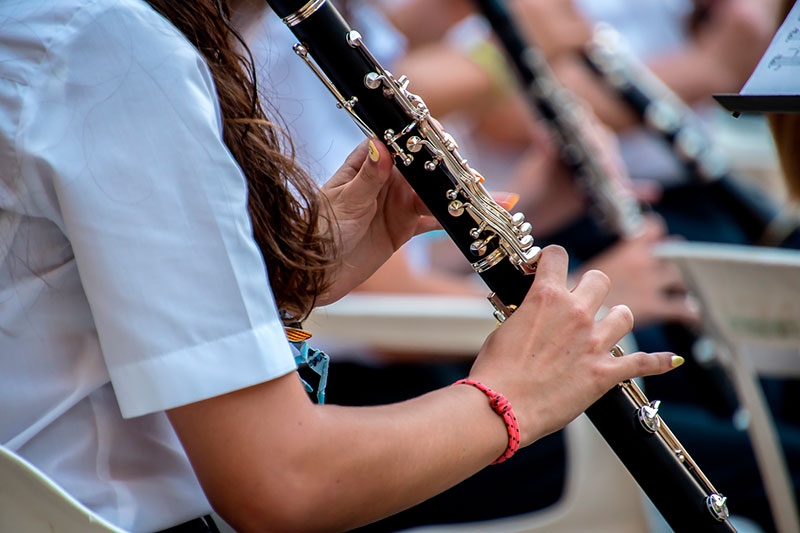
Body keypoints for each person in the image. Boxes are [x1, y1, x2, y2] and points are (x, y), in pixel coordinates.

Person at [0, 1, 682, 532]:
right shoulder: (110, 50)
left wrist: (289, 280)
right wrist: (515, 395)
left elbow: (58, 329)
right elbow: (282, 484)